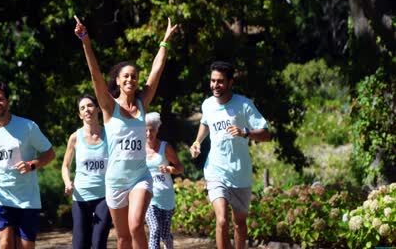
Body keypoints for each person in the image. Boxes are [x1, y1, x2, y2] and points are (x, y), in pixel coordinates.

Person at [73, 15, 177, 249]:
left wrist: (165, 41)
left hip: (140, 176)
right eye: (126, 76)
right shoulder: (110, 107)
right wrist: (85, 41)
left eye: (134, 76)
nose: (131, 79)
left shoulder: (142, 103)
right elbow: (95, 75)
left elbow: (156, 70)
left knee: (136, 226)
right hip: (115, 180)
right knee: (123, 238)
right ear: (118, 81)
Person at [190, 61, 271, 249]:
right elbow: (206, 123)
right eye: (212, 81)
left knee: (239, 224)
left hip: (240, 173)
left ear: (230, 83)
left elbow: (266, 135)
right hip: (216, 170)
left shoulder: (244, 104)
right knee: (221, 221)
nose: (215, 86)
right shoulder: (208, 104)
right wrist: (197, 142)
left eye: (220, 81)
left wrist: (246, 132)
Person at [0, 82, 56, 249]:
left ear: (8, 102)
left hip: (27, 198)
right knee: (5, 243)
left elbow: (49, 153)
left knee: (26, 246)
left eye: (0, 99)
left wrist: (32, 165)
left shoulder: (28, 127)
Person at [61, 94, 112, 249]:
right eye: (82, 108)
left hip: (104, 196)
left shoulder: (109, 135)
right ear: (79, 114)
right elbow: (65, 166)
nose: (87, 110)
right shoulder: (75, 138)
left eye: (90, 105)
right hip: (81, 196)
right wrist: (67, 182)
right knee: (80, 245)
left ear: (97, 108)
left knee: (98, 243)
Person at [144, 112, 184, 249]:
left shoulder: (165, 147)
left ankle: (169, 244)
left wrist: (169, 169)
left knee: (164, 234)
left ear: (157, 129)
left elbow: (180, 168)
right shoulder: (138, 149)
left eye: (152, 130)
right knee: (154, 230)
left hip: (165, 196)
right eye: (146, 130)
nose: (149, 133)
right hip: (148, 196)